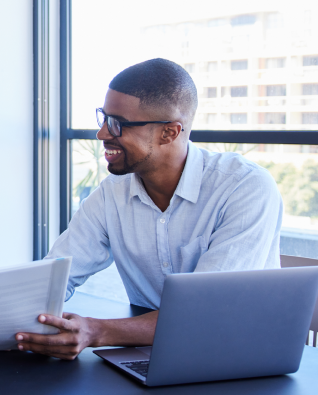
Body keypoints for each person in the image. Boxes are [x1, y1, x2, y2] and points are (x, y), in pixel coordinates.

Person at [16, 58, 282, 360]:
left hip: (239, 357)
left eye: (118, 124)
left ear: (169, 132)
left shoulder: (244, 187)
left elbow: (206, 312)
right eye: (103, 118)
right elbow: (57, 275)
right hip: (152, 354)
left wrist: (96, 331)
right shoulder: (110, 195)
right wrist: (10, 317)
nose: (102, 134)